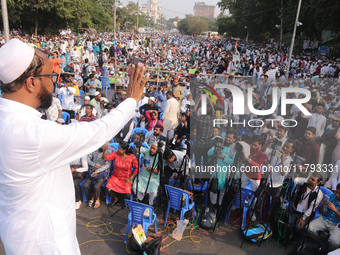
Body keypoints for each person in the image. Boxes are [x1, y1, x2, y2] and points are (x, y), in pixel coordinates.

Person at [0, 39, 148, 254]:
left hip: (17, 237)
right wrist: (132, 100)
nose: (55, 84)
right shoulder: (33, 134)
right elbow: (98, 131)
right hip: (45, 244)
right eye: (51, 77)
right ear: (31, 82)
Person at [288, 173, 323, 241]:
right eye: (310, 177)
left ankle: (297, 237)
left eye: (313, 179)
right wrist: (295, 175)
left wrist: (303, 218)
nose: (309, 179)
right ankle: (286, 230)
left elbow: (311, 208)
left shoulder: (319, 194)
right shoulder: (304, 182)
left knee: (298, 227)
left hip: (306, 213)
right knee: (281, 210)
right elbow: (296, 180)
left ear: (318, 183)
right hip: (295, 207)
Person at [103, 142, 139, 207]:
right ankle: (116, 198)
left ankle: (126, 202)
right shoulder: (116, 154)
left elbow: (137, 168)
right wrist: (104, 150)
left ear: (124, 150)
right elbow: (105, 158)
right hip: (116, 177)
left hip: (126, 177)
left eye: (119, 148)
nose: (117, 149)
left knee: (127, 193)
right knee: (108, 187)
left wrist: (131, 177)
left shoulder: (131, 157)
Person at [307, 183, 340, 252]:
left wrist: (335, 210)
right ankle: (320, 244)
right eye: (336, 192)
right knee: (309, 228)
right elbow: (322, 212)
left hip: (336, 224)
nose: (337, 194)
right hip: (325, 218)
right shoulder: (330, 196)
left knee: (334, 242)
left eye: (339, 193)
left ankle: (328, 250)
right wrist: (322, 206)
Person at [208, 130, 236, 207]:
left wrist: (224, 157)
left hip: (225, 174)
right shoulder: (219, 144)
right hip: (215, 172)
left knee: (222, 192)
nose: (227, 139)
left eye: (230, 138)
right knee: (213, 190)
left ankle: (220, 206)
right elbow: (209, 153)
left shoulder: (234, 149)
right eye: (227, 136)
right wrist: (216, 150)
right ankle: (213, 206)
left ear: (234, 139)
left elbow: (234, 163)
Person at [83, 145, 111, 210]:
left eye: (104, 146)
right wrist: (94, 165)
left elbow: (107, 165)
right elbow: (87, 158)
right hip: (93, 170)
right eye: (101, 146)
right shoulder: (95, 149)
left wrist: (98, 170)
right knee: (85, 185)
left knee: (96, 187)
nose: (102, 147)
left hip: (103, 172)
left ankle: (97, 199)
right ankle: (92, 196)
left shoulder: (109, 152)